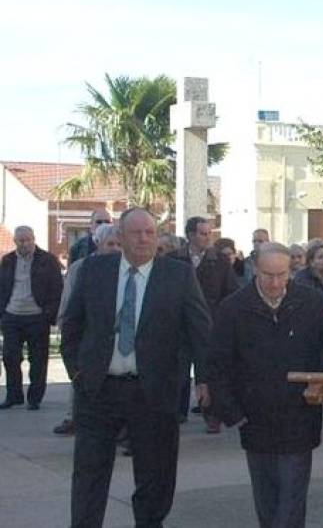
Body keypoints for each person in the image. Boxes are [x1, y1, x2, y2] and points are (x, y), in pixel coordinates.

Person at [60, 208, 212, 527]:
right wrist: (78, 373)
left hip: (153, 392)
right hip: (99, 390)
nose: (143, 239)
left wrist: (205, 379)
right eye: (136, 233)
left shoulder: (178, 275)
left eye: (150, 233)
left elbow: (200, 330)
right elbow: (72, 327)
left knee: (155, 476)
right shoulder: (94, 270)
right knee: (89, 474)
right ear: (120, 236)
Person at [206, 243, 323, 528]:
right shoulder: (233, 308)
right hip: (254, 418)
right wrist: (233, 413)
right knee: (266, 499)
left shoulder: (310, 301)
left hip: (298, 415)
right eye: (269, 275)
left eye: (282, 274)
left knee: (292, 499)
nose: (276, 282)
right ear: (255, 269)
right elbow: (217, 364)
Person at [168, 216, 238, 431]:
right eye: (202, 233)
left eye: (209, 233)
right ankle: (175, 413)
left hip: (209, 326)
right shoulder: (173, 260)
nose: (207, 238)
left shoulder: (220, 261)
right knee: (177, 371)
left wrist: (222, 320)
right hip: (179, 326)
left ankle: (212, 415)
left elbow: (230, 292)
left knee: (208, 372)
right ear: (190, 235)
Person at [53, 224, 122, 435]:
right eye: (111, 244)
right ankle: (76, 418)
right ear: (98, 243)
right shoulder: (81, 268)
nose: (115, 249)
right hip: (87, 340)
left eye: (119, 244)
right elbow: (69, 304)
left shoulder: (128, 270)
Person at [0, 226, 64, 409]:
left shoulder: (47, 260)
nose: (25, 243)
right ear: (15, 241)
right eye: (21, 240)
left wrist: (49, 314)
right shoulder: (8, 261)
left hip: (37, 316)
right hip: (12, 315)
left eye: (28, 239)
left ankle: (34, 399)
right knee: (10, 357)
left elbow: (57, 288)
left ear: (34, 239)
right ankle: (14, 395)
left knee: (38, 359)